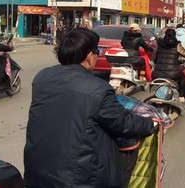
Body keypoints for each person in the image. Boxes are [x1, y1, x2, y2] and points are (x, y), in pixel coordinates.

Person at [23, 28, 157, 188]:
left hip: (36, 174)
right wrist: (150, 124)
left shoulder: (42, 78)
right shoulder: (98, 89)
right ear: (88, 56)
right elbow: (124, 123)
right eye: (96, 51)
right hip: (79, 181)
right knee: (126, 150)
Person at [152, 28, 185, 103]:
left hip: (157, 74)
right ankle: (181, 96)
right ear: (174, 35)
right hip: (172, 74)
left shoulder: (159, 44)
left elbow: (154, 58)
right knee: (182, 77)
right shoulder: (177, 45)